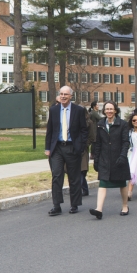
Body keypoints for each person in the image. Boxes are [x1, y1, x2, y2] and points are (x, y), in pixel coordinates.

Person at [44, 86, 88, 216]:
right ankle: (56, 205)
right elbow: (50, 130)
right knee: (56, 175)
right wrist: (48, 148)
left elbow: (84, 130)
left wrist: (80, 146)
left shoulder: (78, 110)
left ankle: (74, 204)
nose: (63, 96)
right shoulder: (54, 110)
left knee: (74, 177)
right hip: (57, 147)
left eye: (66, 94)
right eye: (61, 94)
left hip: (72, 147)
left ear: (71, 96)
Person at [89, 101, 131, 219]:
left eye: (111, 109)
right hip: (104, 159)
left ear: (115, 110)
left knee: (122, 183)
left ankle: (125, 206)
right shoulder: (100, 124)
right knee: (102, 183)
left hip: (119, 159)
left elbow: (125, 142)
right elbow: (98, 144)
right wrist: (96, 160)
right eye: (107, 109)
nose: (109, 111)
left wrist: (123, 156)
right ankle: (99, 209)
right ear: (104, 111)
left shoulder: (122, 124)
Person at [79, 108, 95, 196]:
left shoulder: (89, 122)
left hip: (83, 149)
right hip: (74, 149)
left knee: (82, 169)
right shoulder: (74, 121)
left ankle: (79, 189)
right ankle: (84, 188)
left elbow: (92, 137)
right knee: (77, 170)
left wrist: (86, 144)